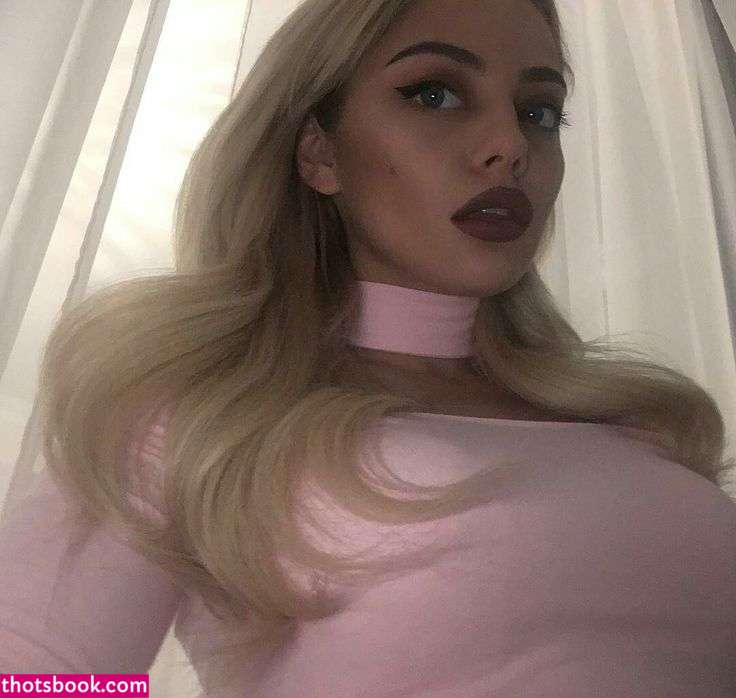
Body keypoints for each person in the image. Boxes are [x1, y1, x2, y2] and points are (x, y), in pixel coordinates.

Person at [2, 0, 735, 695]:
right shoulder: (199, 419)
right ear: (319, 151)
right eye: (435, 95)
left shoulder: (631, 424)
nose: (511, 147)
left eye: (538, 111)